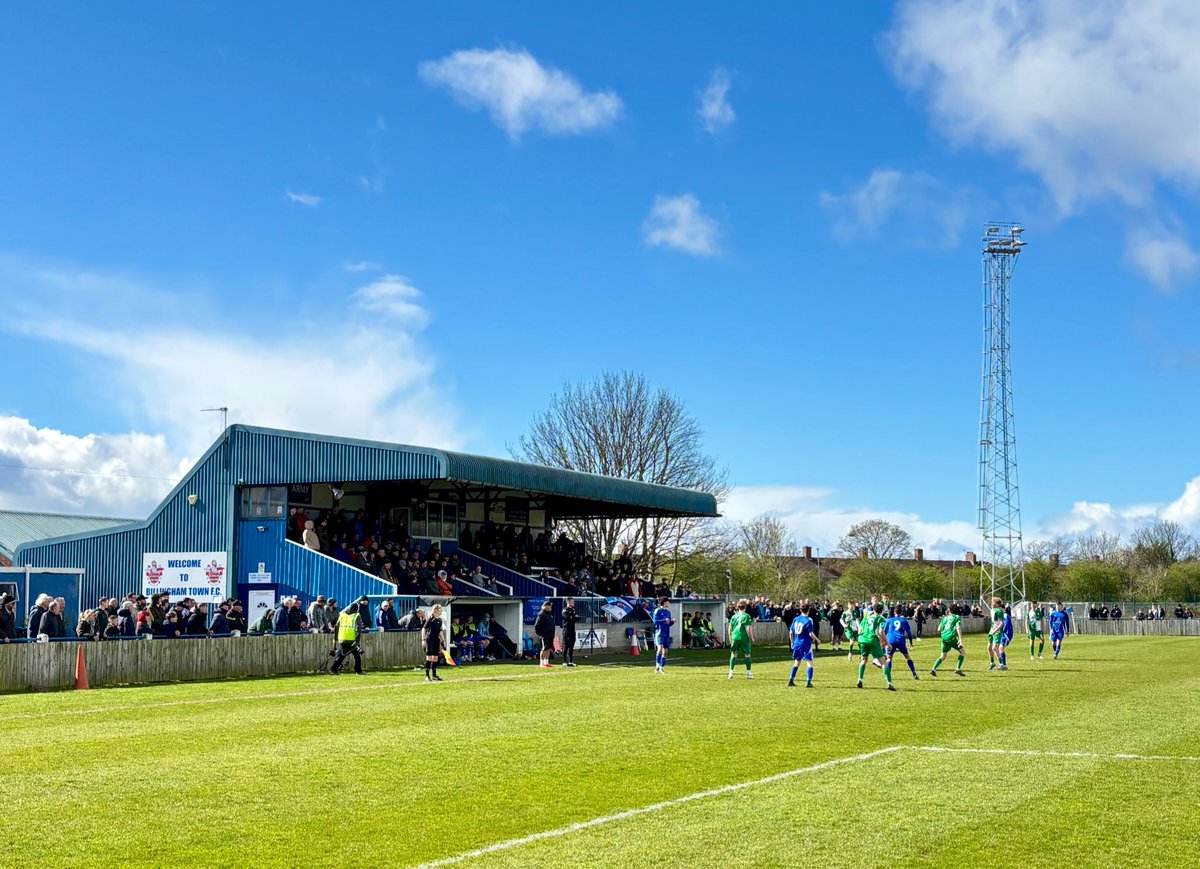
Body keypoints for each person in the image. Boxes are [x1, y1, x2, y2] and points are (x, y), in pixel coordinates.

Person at [856, 603, 890, 691]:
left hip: (862, 639)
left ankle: (860, 679)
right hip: (872, 639)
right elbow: (880, 631)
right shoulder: (880, 618)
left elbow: (859, 631)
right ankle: (889, 683)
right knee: (883, 662)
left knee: (863, 660)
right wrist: (887, 643)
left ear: (873, 610)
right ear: (882, 611)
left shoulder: (866, 617)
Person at [788, 603, 819, 688]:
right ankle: (808, 682)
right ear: (808, 610)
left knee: (797, 662)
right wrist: (817, 640)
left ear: (800, 610)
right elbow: (810, 634)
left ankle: (791, 680)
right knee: (809, 662)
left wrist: (792, 642)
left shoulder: (796, 619)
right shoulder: (808, 620)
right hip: (805, 644)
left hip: (797, 643)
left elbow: (791, 632)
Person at [885, 607, 919, 682]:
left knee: (889, 658)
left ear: (894, 612)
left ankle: (888, 675)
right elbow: (909, 633)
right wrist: (911, 643)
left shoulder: (889, 620)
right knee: (907, 657)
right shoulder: (904, 621)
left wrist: (883, 641)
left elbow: (884, 631)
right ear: (901, 613)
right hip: (900, 640)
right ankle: (914, 673)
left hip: (891, 640)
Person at [930, 607, 966, 677]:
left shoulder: (944, 618)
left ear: (949, 610)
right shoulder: (956, 617)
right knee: (963, 652)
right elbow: (958, 627)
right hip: (951, 637)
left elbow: (939, 629)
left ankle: (933, 669)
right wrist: (960, 639)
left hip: (944, 638)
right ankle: (958, 669)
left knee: (943, 656)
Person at [331, 603, 364, 675]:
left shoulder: (342, 615)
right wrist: (357, 640)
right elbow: (359, 628)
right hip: (351, 638)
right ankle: (358, 670)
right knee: (355, 655)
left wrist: (335, 638)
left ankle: (335, 668)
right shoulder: (356, 615)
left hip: (342, 638)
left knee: (343, 654)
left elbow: (337, 626)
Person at [727, 600, 755, 680]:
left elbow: (729, 628)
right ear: (745, 608)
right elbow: (748, 628)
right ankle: (748, 673)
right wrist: (752, 638)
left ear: (738, 607)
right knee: (747, 654)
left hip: (735, 636)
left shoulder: (734, 616)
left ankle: (730, 673)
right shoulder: (747, 616)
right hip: (743, 637)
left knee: (733, 654)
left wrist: (730, 638)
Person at [423, 604, 447, 682]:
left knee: (435, 658)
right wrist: (423, 640)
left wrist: (443, 641)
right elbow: (424, 629)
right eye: (440, 609)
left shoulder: (440, 620)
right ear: (436, 610)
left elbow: (440, 631)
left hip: (436, 640)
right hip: (430, 639)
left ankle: (434, 675)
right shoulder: (431, 619)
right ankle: (427, 675)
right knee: (429, 657)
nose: (441, 610)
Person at [651, 597, 674, 674]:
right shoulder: (657, 611)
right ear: (664, 602)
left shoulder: (668, 612)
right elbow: (655, 621)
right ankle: (657, 666)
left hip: (666, 633)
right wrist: (664, 620)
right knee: (660, 648)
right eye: (668, 602)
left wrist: (672, 622)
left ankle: (662, 667)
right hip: (659, 633)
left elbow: (669, 623)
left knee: (666, 651)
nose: (669, 603)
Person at [534, 601, 556, 669]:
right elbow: (537, 626)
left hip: (550, 634)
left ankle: (546, 662)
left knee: (548, 648)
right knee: (544, 648)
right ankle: (541, 662)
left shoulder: (549, 614)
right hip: (544, 635)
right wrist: (541, 634)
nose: (550, 607)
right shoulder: (541, 615)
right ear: (545, 606)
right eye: (549, 606)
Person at [988, 597, 1007, 671]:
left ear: (997, 604)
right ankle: (992, 663)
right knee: (989, 648)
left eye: (993, 602)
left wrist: (995, 630)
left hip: (997, 632)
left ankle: (1002, 664)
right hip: (991, 631)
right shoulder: (992, 610)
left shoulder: (999, 611)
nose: (991, 603)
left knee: (994, 648)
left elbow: (1002, 623)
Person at [561, 597, 579, 667]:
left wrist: (574, 617)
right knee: (566, 646)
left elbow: (576, 618)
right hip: (567, 630)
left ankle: (571, 661)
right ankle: (564, 661)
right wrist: (574, 617)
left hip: (572, 629)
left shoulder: (573, 610)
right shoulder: (565, 611)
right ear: (568, 602)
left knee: (571, 646)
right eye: (572, 601)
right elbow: (569, 619)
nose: (573, 603)